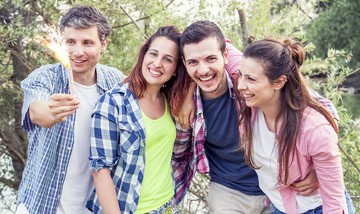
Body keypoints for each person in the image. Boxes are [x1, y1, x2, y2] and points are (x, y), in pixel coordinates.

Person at [171, 20, 341, 214]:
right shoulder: (184, 104)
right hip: (227, 191)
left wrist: (320, 169)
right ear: (184, 64)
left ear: (225, 55)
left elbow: (325, 111)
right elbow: (178, 157)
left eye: (210, 59)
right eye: (193, 62)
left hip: (276, 192)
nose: (203, 70)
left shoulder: (248, 83)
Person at [16, 5, 127, 214]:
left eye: (87, 43)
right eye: (70, 42)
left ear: (103, 44)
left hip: (92, 209)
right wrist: (51, 113)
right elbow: (37, 112)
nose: (78, 52)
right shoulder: (44, 77)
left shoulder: (117, 82)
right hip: (40, 207)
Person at [235, 38, 355, 213]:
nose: (240, 86)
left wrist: (317, 167)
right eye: (240, 75)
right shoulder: (249, 108)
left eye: (251, 79)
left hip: (319, 208)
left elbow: (335, 203)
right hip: (279, 207)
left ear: (279, 82)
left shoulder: (315, 131)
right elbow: (214, 48)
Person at [86, 25, 191, 214]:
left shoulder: (172, 102)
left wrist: (190, 89)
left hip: (169, 206)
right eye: (153, 54)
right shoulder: (113, 103)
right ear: (144, 56)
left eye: (168, 59)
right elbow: (100, 171)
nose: (157, 63)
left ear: (176, 69)